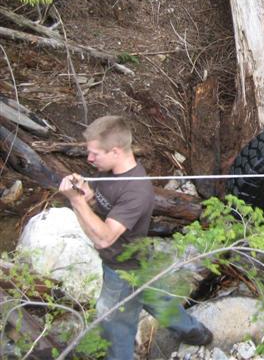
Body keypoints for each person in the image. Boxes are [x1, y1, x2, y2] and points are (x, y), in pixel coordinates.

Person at [58, 116, 212, 359]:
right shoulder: (109, 172)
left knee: (115, 330)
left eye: (95, 154)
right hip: (142, 259)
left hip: (122, 269)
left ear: (115, 151)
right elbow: (106, 210)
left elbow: (104, 239)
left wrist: (76, 202)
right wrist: (88, 198)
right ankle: (197, 333)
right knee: (158, 301)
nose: (89, 159)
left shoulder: (136, 191)